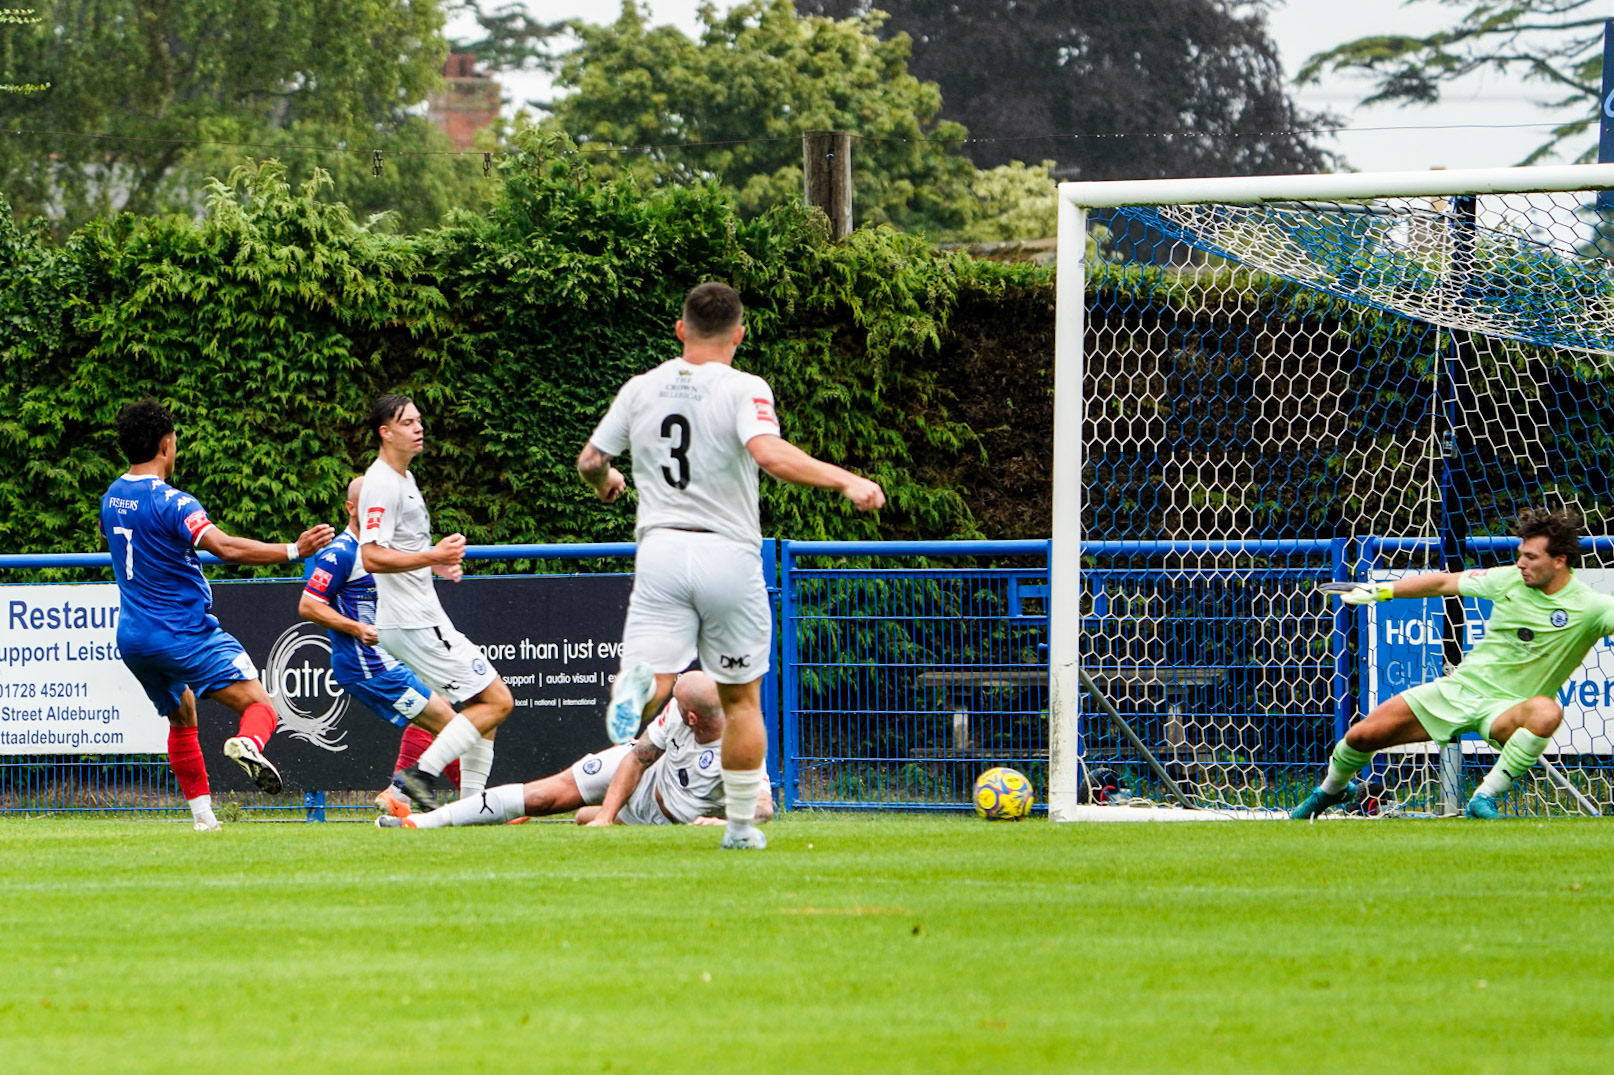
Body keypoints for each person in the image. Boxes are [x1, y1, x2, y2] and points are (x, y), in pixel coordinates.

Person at [576, 281, 883, 850]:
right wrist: (845, 480)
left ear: (680, 329)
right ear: (739, 334)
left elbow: (592, 459)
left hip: (661, 550)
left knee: (660, 677)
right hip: (727, 552)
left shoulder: (640, 388)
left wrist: (606, 482)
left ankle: (640, 688)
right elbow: (769, 454)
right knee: (741, 701)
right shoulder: (745, 387)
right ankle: (740, 830)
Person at [99, 399, 334, 830]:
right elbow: (223, 547)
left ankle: (205, 820)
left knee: (182, 713)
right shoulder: (174, 502)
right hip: (182, 633)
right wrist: (293, 550)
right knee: (260, 705)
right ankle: (248, 743)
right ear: (165, 445)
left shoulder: (111, 497)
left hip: (133, 638)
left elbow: (118, 540)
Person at [1293, 507, 1614, 820]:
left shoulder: (1591, 607)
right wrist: (1380, 590)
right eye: (1520, 555)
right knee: (1362, 737)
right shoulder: (1507, 580)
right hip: (1458, 691)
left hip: (1508, 710)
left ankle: (1483, 797)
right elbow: (1443, 583)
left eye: (1531, 557)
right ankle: (1333, 790)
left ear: (1559, 561)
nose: (1520, 563)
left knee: (1546, 711)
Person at [358, 394, 513, 810]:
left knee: (484, 708)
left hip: (418, 617)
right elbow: (371, 556)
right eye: (407, 422)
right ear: (385, 433)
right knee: (498, 701)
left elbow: (399, 551)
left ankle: (472, 808)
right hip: (412, 621)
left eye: (419, 420)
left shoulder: (404, 478)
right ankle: (420, 775)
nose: (418, 428)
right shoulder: (381, 483)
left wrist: (434, 565)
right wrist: (432, 556)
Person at [376, 671, 772, 829]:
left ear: (693, 717)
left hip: (666, 819)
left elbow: (764, 807)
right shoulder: (678, 711)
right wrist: (608, 817)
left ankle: (597, 815)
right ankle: (421, 824)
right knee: (544, 797)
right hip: (645, 778)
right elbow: (639, 758)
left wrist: (723, 822)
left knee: (584, 818)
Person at [296, 476, 467, 816]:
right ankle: (481, 803)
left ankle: (398, 795)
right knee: (451, 725)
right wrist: (357, 627)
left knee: (437, 709)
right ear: (351, 508)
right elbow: (309, 605)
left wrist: (433, 563)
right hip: (370, 666)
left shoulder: (380, 548)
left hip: (390, 657)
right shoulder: (340, 554)